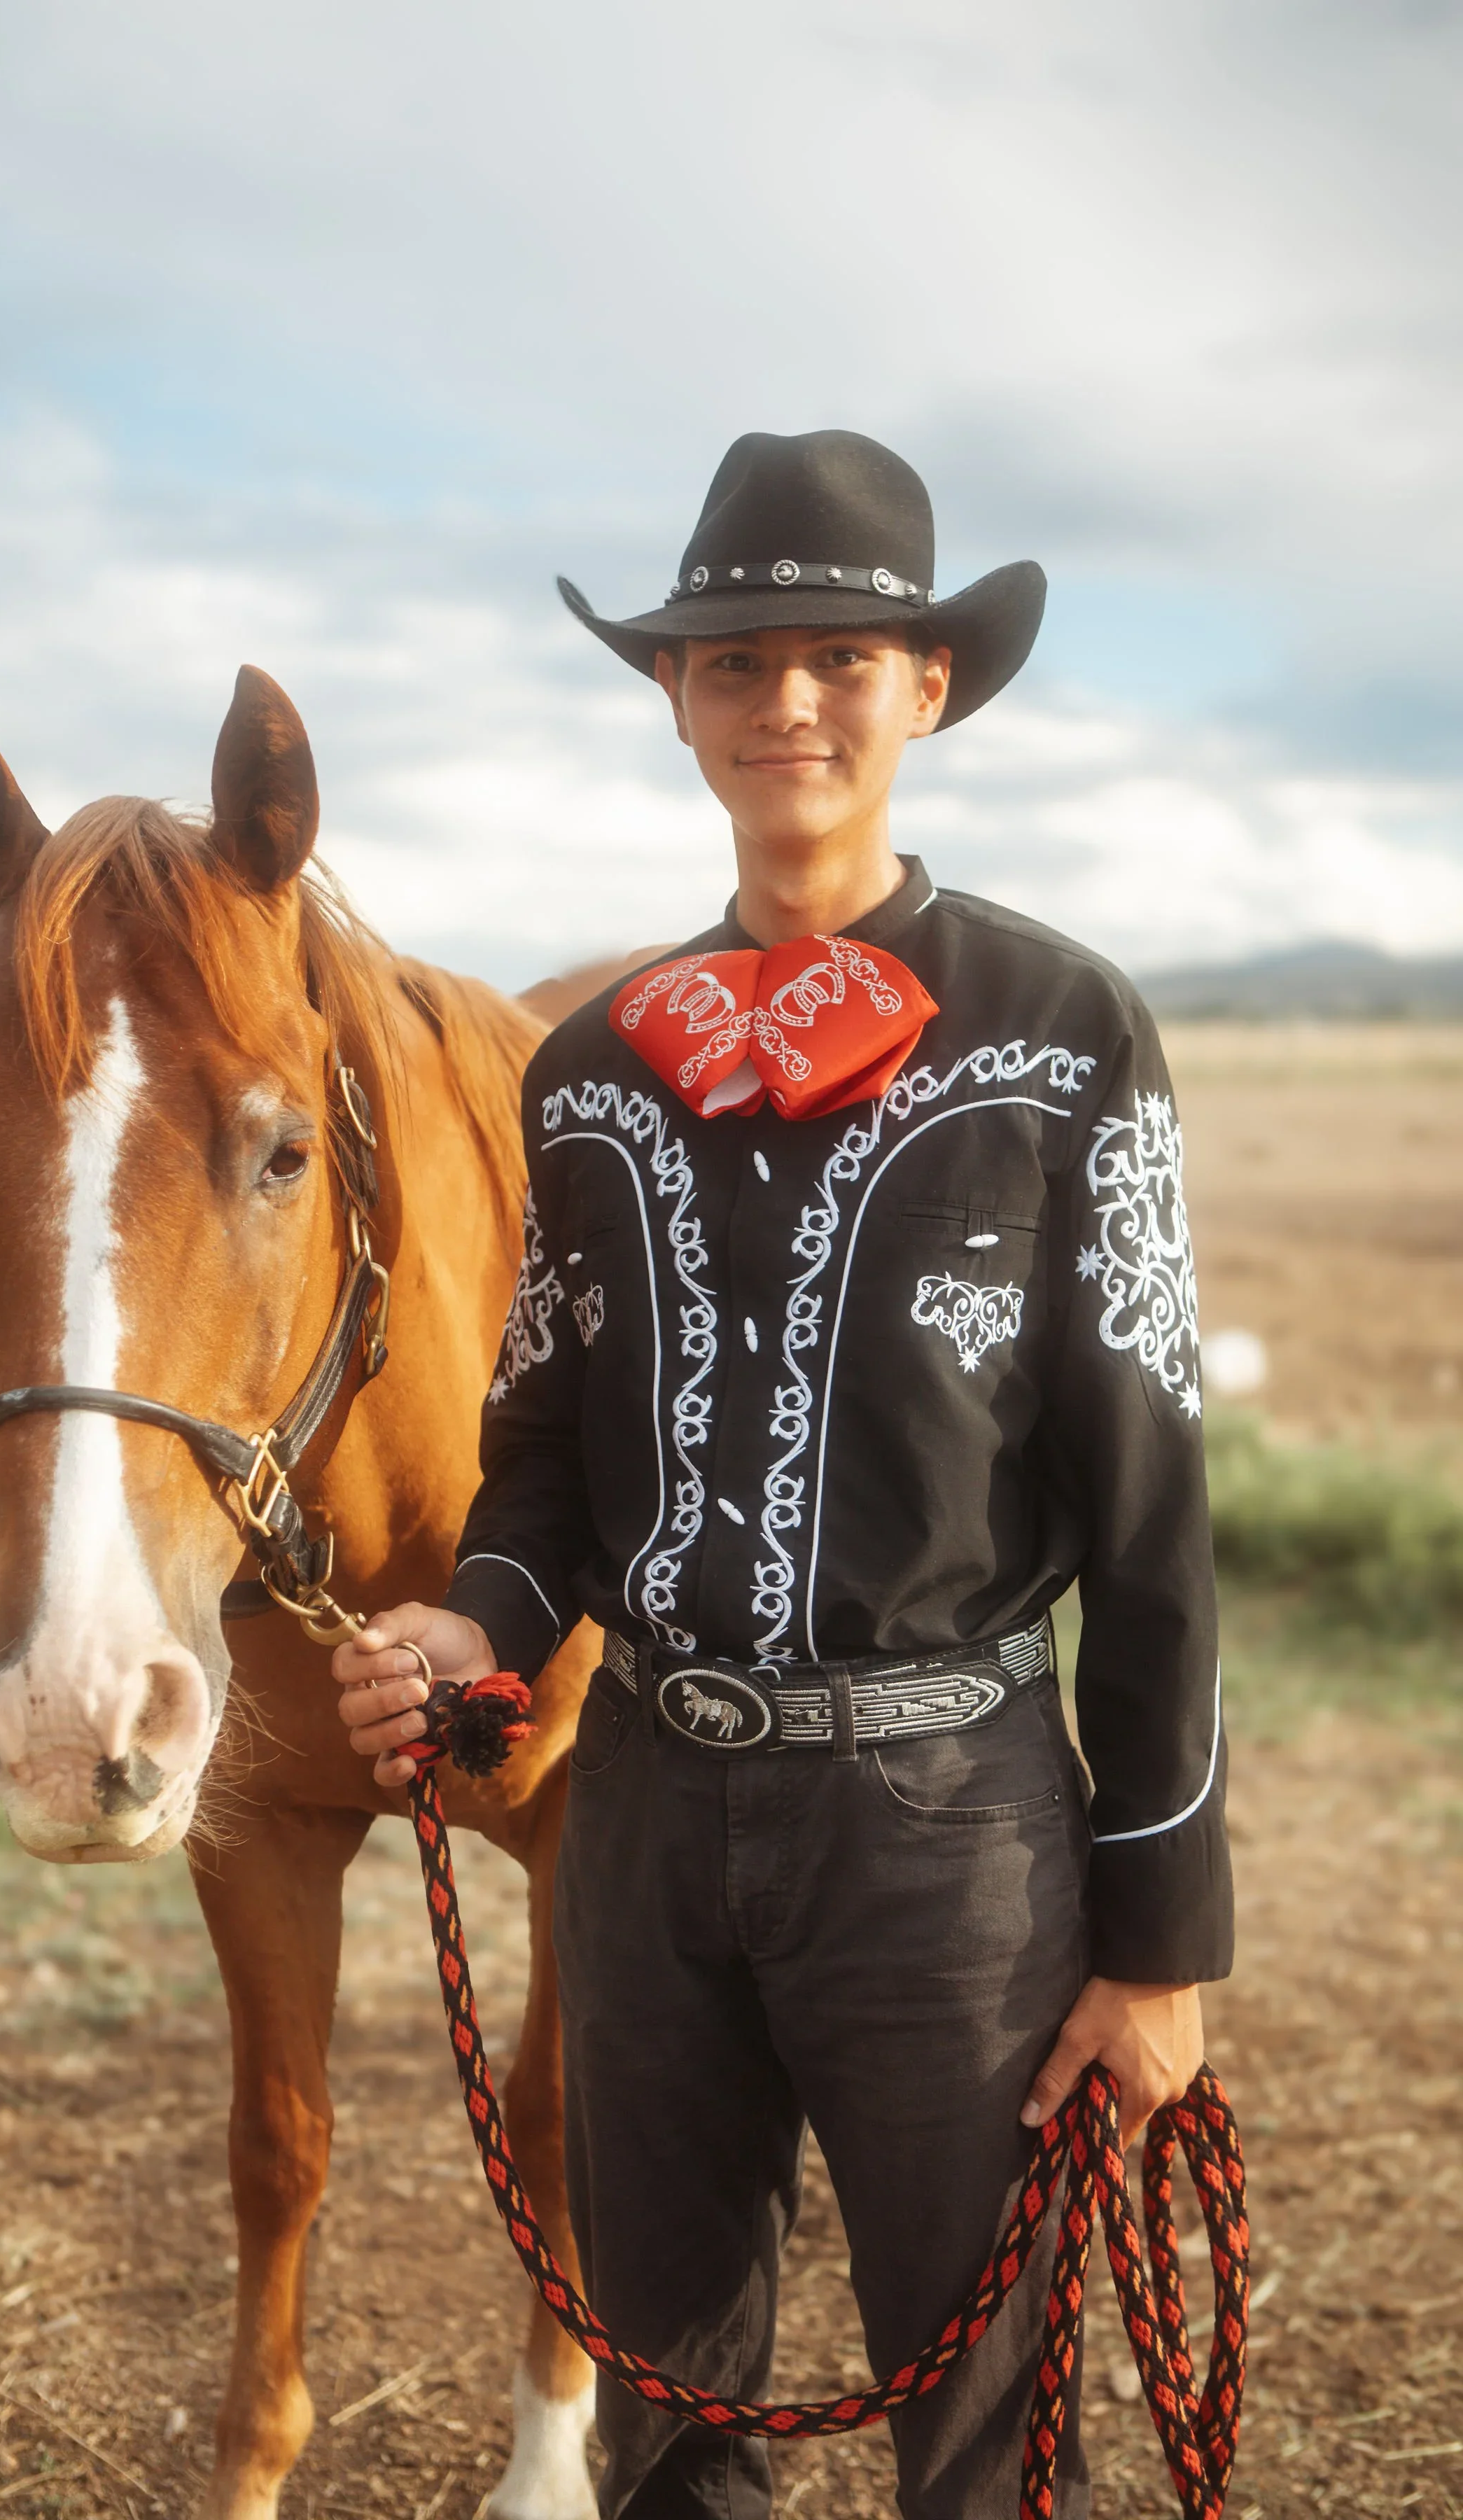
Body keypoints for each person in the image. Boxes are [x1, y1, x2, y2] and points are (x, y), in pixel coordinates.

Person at [336, 430, 1232, 2519]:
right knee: (666, 2412)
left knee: (993, 2428)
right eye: (736, 664)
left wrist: (1162, 1943)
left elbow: (1154, 1518)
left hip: (954, 1839)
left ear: (928, 689)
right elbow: (547, 1463)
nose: (789, 705)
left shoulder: (1064, 1037)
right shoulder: (591, 1076)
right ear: (675, 701)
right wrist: (464, 1620)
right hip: (640, 1815)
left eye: (841, 656)